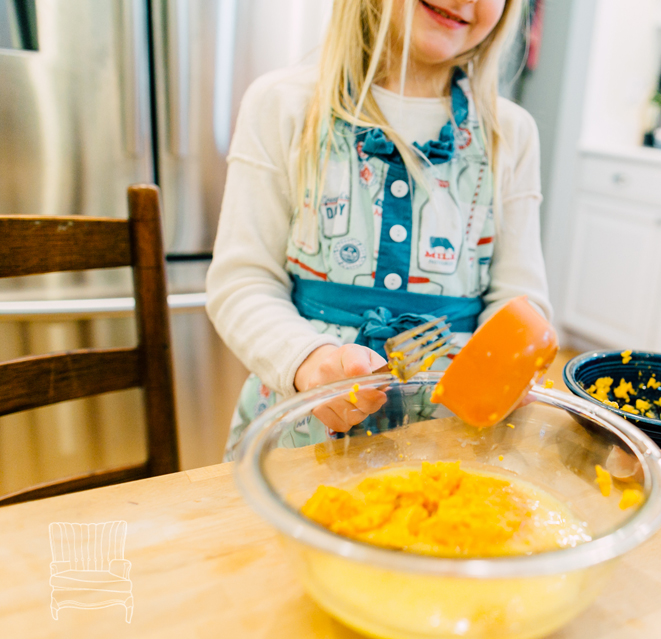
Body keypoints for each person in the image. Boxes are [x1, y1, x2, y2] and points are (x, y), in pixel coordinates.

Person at [206, 0, 551, 457]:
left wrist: (512, 365)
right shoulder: (281, 105)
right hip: (300, 434)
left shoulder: (510, 132)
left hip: (453, 440)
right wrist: (308, 362)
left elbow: (518, 299)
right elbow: (241, 282)